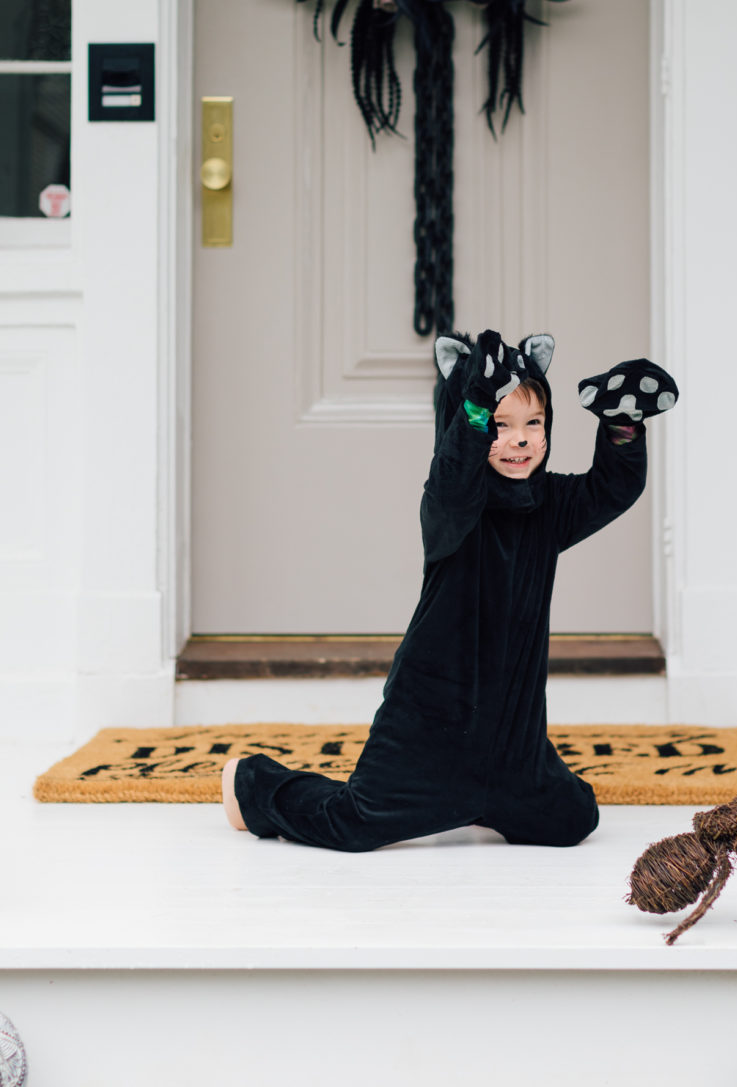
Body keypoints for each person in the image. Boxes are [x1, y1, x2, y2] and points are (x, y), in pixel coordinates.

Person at [221, 329, 678, 852]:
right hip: (428, 725)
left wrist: (622, 425)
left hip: (514, 744)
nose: (521, 439)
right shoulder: (449, 506)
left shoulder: (549, 504)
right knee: (351, 823)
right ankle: (252, 783)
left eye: (535, 423)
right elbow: (456, 476)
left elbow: (612, 488)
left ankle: (490, 797)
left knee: (573, 819)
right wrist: (476, 407)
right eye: (499, 426)